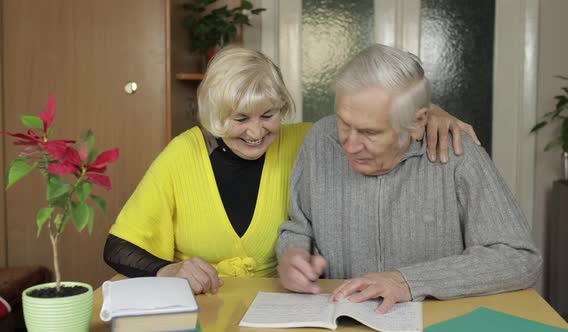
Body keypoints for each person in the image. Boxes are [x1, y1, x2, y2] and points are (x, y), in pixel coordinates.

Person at [103, 46, 479, 295]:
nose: (256, 132)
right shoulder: (182, 155)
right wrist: (168, 271)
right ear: (216, 117)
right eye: (239, 119)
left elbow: (375, 109)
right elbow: (118, 247)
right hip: (206, 311)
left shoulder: (310, 141)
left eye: (268, 115)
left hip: (285, 311)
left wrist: (433, 113)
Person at [276, 44, 542, 314]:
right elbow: (299, 226)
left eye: (370, 132)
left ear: (417, 123)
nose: (350, 145)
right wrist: (291, 255)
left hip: (437, 322)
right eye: (344, 124)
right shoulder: (319, 140)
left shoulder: (457, 154)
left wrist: (407, 281)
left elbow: (518, 257)